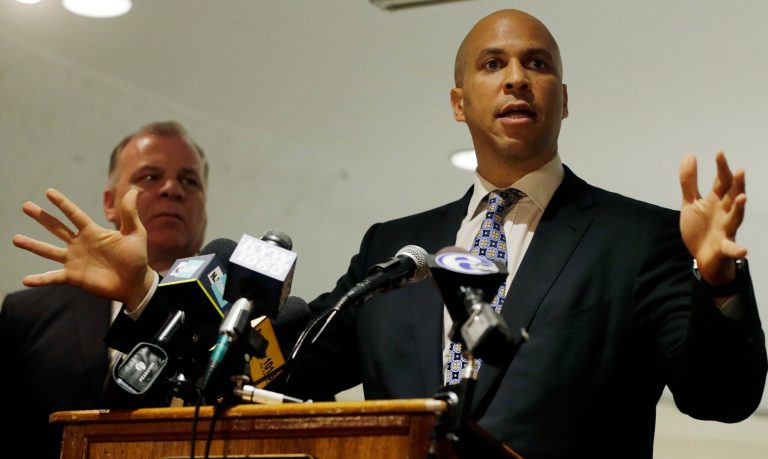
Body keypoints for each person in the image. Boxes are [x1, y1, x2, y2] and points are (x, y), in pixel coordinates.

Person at [9, 9, 766, 459]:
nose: (515, 78)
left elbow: (722, 400)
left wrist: (719, 282)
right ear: (458, 101)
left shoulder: (639, 237)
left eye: (536, 65)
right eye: (492, 64)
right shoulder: (392, 250)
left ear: (562, 99)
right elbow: (272, 378)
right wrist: (145, 288)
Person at [0, 120, 209, 459]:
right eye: (150, 177)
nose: (173, 189)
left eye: (189, 180)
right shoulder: (26, 314)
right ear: (110, 203)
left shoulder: (238, 321)